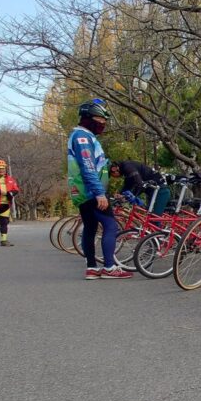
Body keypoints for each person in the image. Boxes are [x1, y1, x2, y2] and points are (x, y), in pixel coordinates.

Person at [67, 99, 132, 280]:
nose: (102, 123)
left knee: (90, 227)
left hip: (81, 193)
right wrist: (99, 192)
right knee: (110, 226)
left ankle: (92, 268)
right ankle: (110, 267)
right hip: (90, 192)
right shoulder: (82, 137)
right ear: (88, 118)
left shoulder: (82, 136)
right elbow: (88, 166)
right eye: (100, 119)